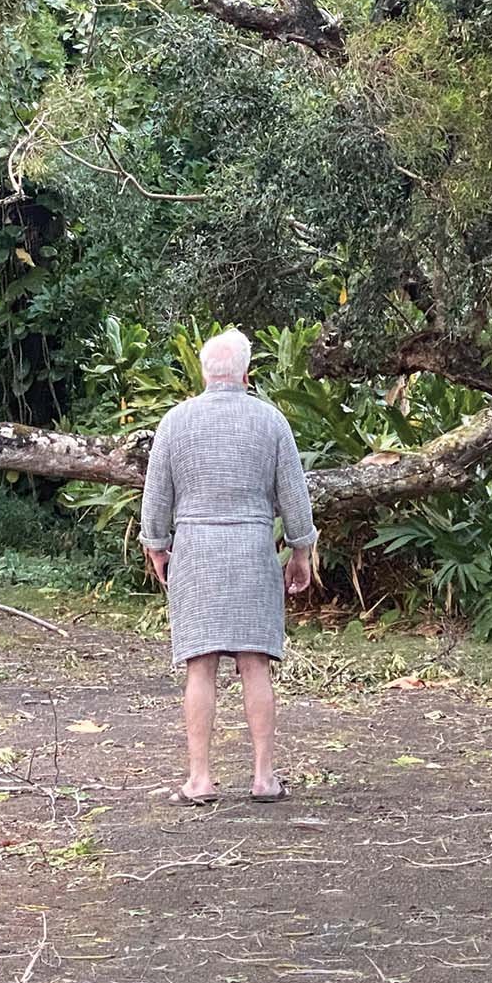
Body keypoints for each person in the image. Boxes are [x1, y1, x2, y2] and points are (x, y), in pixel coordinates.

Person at [138, 328, 318, 805]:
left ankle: (199, 779)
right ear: (245, 372)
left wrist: (157, 547)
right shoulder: (270, 421)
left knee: (200, 665)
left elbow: (155, 497)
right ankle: (263, 777)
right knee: (255, 662)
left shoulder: (175, 422)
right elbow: (294, 498)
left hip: (196, 551)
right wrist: (301, 551)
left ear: (203, 372)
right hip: (252, 548)